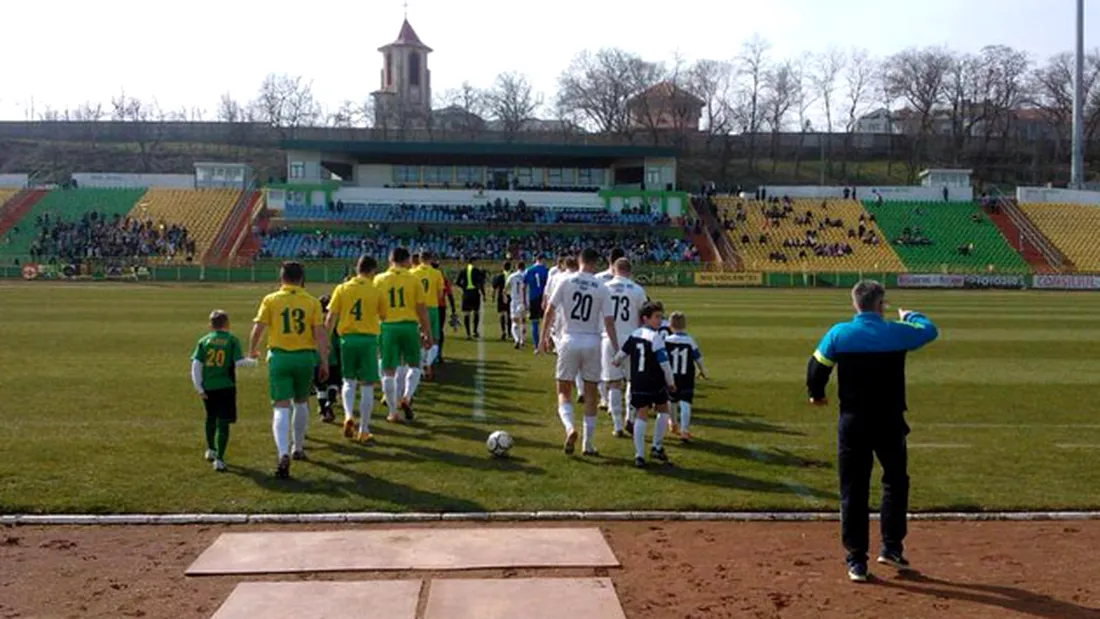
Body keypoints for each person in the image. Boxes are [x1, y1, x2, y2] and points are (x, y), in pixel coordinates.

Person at [806, 280, 939, 583]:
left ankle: (856, 561)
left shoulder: (839, 333)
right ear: (881, 304)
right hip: (889, 421)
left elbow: (817, 367)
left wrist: (817, 393)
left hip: (853, 421)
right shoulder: (896, 331)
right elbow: (930, 330)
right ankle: (891, 547)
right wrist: (911, 315)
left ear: (855, 305)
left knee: (853, 489)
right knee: (895, 480)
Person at [249, 261, 328, 479]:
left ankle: (282, 452)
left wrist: (252, 350)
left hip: (280, 357)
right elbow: (320, 333)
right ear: (302, 279)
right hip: (304, 357)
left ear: (281, 278)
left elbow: (259, 327)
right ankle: (298, 447)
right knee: (302, 402)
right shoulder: (312, 302)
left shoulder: (271, 299)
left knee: (281, 407)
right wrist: (324, 360)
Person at [540, 248, 617, 456]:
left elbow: (549, 310)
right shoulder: (602, 286)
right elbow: (609, 321)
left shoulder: (565, 280)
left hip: (568, 339)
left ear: (579, 261)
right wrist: (617, 349)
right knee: (591, 393)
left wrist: (542, 339)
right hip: (593, 341)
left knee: (564, 391)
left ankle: (569, 427)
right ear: (595, 263)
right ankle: (588, 443)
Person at [326, 254, 387, 444]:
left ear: (356, 269)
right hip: (368, 340)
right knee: (367, 385)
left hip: (347, 340)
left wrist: (326, 342)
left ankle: (347, 415)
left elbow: (330, 318)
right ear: (372, 271)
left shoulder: (342, 288)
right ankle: (364, 429)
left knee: (348, 381)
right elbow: (384, 316)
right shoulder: (376, 290)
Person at [190, 310, 257, 472]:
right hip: (226, 386)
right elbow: (239, 362)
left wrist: (199, 387)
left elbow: (196, 366)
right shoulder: (231, 340)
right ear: (227, 324)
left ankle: (211, 449)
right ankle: (219, 458)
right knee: (224, 422)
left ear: (210, 325)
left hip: (208, 387)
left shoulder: (204, 341)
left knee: (210, 418)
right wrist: (253, 361)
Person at [613, 301, 677, 468]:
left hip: (637, 381)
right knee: (663, 409)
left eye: (660, 316)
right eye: (656, 317)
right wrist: (671, 383)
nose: (659, 320)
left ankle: (639, 455)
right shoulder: (655, 338)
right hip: (654, 381)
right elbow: (664, 364)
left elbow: (622, 352)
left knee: (641, 414)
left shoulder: (634, 334)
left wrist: (616, 361)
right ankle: (656, 446)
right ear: (645, 318)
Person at [375, 247, 433, 423]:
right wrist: (427, 332)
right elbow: (421, 309)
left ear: (390, 260)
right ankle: (407, 397)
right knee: (414, 365)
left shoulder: (379, 279)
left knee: (388, 370)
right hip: (409, 326)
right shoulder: (413, 279)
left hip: (387, 326)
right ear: (406, 260)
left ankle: (393, 412)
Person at [601, 258, 647, 436]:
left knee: (613, 383)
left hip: (609, 338)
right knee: (631, 381)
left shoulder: (605, 288)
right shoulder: (637, 289)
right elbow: (644, 317)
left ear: (614, 269)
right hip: (631, 338)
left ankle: (617, 426)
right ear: (630, 271)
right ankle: (630, 417)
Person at [665, 311, 708, 442]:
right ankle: (685, 431)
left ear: (670, 326)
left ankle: (673, 423)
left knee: (672, 401)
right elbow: (698, 358)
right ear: (685, 325)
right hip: (686, 377)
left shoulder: (666, 340)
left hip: (672, 376)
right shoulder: (690, 341)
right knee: (685, 403)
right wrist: (703, 371)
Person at [411, 251, 445, 378]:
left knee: (419, 339)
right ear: (431, 259)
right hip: (431, 308)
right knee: (433, 338)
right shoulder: (436, 273)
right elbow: (440, 294)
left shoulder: (412, 273)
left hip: (416, 309)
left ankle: (419, 366)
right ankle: (429, 365)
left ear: (419, 259)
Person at [314, 295, 343, 423]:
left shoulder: (315, 319)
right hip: (333, 358)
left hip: (317, 357)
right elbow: (337, 339)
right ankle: (329, 404)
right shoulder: (334, 320)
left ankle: (323, 409)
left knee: (320, 386)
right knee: (334, 383)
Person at [523, 255, 550, 353]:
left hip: (533, 298)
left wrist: (524, 301)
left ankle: (536, 347)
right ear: (542, 260)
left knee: (534, 322)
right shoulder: (547, 271)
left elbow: (523, 286)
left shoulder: (529, 270)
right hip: (544, 298)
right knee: (546, 322)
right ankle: (546, 345)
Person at [456, 257, 486, 339]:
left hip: (466, 293)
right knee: (476, 312)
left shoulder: (463, 270)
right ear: (473, 262)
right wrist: (483, 294)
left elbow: (457, 282)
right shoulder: (477, 271)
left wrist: (464, 287)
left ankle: (468, 334)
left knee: (466, 313)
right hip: (475, 293)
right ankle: (475, 331)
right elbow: (481, 283)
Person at [505, 261, 527, 349]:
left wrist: (505, 296)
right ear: (524, 267)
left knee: (514, 321)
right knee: (523, 321)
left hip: (514, 301)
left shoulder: (512, 276)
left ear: (516, 267)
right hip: (523, 301)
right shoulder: (526, 275)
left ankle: (517, 339)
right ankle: (522, 341)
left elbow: (506, 287)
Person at [492, 262, 510, 341]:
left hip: (501, 296)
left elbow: (494, 287)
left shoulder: (499, 276)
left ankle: (503, 331)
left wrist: (493, 296)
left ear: (503, 267)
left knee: (502, 314)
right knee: (509, 314)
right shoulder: (512, 275)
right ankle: (510, 332)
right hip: (510, 296)